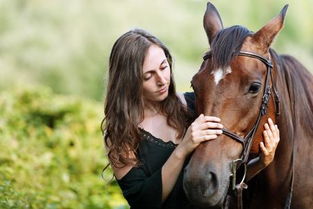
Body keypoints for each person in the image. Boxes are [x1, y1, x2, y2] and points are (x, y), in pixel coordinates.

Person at [102, 29, 280, 209]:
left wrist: (261, 163)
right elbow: (143, 202)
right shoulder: (120, 134)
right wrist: (183, 148)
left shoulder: (196, 105)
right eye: (148, 75)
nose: (162, 80)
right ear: (129, 81)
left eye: (164, 67)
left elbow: (221, 182)